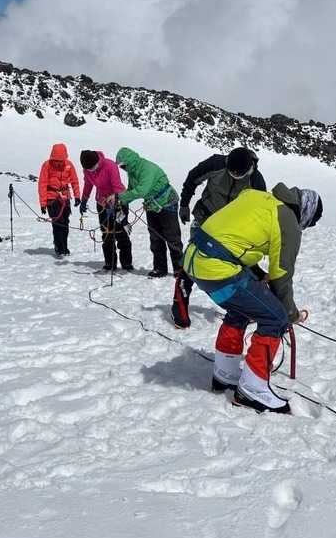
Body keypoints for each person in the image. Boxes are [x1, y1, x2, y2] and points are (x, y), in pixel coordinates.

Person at [182, 183, 323, 414]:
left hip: (194, 259)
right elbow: (282, 275)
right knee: (275, 318)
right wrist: (290, 314)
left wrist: (257, 276)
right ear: (306, 214)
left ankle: (225, 373)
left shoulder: (257, 196)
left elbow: (235, 238)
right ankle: (252, 390)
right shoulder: (288, 222)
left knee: (240, 308)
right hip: (217, 268)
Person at [172, 147, 267, 328]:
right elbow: (192, 178)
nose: (234, 176)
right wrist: (184, 204)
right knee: (193, 260)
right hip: (205, 217)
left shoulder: (256, 181)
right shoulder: (216, 163)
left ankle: (246, 308)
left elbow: (259, 211)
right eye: (231, 172)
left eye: (239, 175)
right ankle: (179, 307)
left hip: (231, 228)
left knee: (236, 265)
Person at [115, 147, 184, 278]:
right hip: (152, 205)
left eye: (123, 165)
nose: (122, 168)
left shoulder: (147, 168)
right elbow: (131, 190)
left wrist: (119, 196)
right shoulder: (132, 172)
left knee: (172, 237)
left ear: (129, 161)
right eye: (120, 166)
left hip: (167, 202)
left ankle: (180, 268)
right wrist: (120, 201)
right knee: (155, 237)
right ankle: (159, 268)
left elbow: (142, 190)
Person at [78, 150, 133, 272]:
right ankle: (110, 263)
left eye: (93, 167)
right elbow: (88, 184)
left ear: (97, 162)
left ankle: (126, 262)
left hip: (118, 200)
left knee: (120, 231)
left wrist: (116, 204)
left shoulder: (110, 165)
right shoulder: (87, 170)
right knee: (107, 233)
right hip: (102, 203)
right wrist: (84, 200)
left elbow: (117, 185)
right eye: (88, 169)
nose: (91, 170)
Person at [38, 143, 81, 257]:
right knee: (58, 222)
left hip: (65, 197)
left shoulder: (69, 164)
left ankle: (64, 246)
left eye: (60, 160)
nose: (58, 162)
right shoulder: (46, 165)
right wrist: (43, 203)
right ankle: (59, 247)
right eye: (56, 160)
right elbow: (42, 184)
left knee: (65, 222)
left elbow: (74, 180)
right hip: (52, 197)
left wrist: (77, 196)